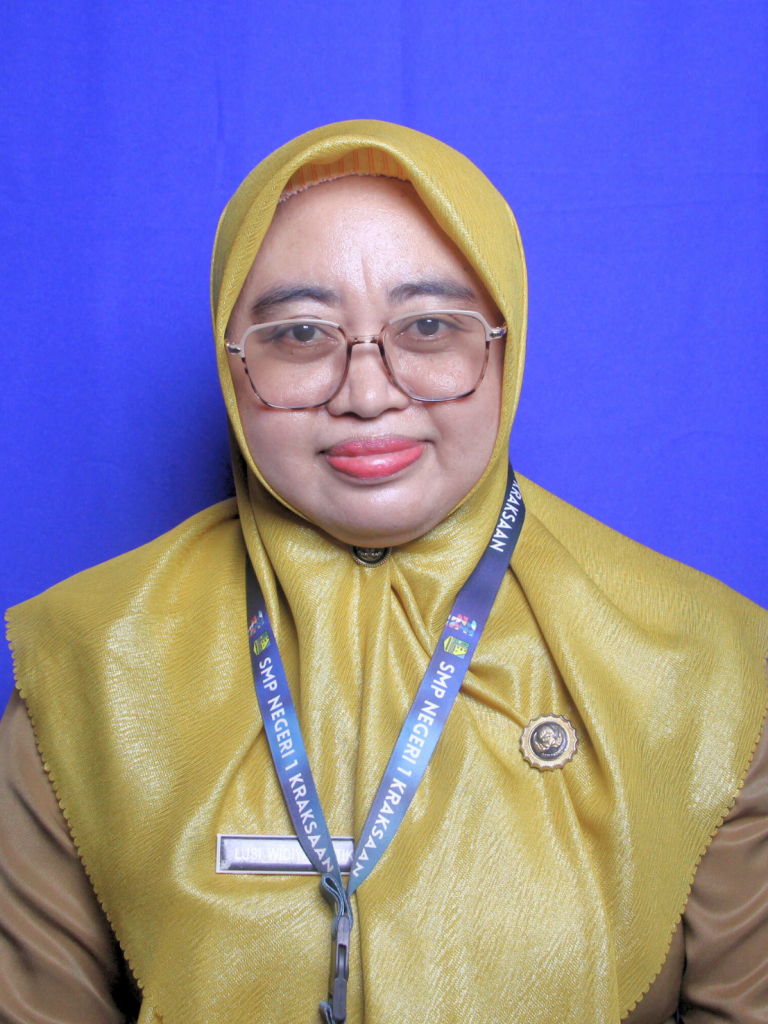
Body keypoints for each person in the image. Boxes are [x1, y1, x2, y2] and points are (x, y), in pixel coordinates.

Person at [2, 120, 767, 1024]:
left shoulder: (706, 662)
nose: (367, 394)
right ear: (230, 357)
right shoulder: (89, 664)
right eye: (299, 334)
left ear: (507, 342)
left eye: (430, 327)